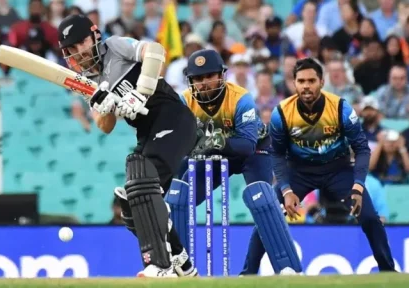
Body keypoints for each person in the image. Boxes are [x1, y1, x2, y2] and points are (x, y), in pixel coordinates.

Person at [57, 14, 198, 278]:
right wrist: (107, 106)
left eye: (81, 43)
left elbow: (156, 51)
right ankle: (181, 260)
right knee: (132, 202)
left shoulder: (115, 46)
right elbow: (104, 125)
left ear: (95, 35)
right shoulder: (93, 83)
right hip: (148, 134)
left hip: (173, 119)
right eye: (72, 49)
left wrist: (140, 92)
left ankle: (160, 266)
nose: (79, 52)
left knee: (144, 182)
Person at [164, 49, 301, 276]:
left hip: (254, 151)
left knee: (263, 201)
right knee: (180, 198)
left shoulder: (240, 98)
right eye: (198, 78)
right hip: (213, 155)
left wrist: (217, 141)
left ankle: (280, 270)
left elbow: (246, 146)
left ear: (221, 75)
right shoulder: (185, 101)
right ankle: (178, 269)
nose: (204, 83)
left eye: (209, 76)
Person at [269, 58, 396, 271]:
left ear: (321, 81)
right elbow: (277, 154)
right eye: (301, 81)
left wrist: (357, 185)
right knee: (268, 216)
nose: (306, 85)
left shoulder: (340, 109)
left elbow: (363, 149)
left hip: (338, 170)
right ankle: (248, 273)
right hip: (300, 171)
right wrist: (286, 189)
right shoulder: (281, 113)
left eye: (311, 80)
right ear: (294, 83)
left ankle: (388, 271)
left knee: (370, 219)